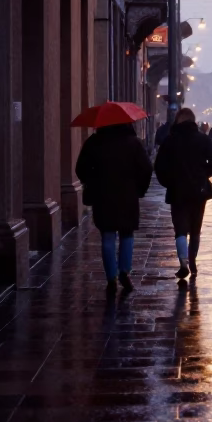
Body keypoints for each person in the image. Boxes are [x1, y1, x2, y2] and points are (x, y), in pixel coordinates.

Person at [75, 122, 153, 294]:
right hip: (128, 196)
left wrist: (92, 181)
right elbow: (147, 168)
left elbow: (80, 169)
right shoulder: (134, 142)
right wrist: (140, 189)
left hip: (103, 196)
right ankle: (124, 270)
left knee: (108, 235)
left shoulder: (94, 142)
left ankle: (111, 277)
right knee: (127, 233)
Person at [154, 107, 212, 280]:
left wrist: (168, 182)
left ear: (178, 121)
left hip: (177, 190)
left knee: (180, 229)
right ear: (193, 121)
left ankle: (183, 261)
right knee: (196, 229)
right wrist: (202, 174)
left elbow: (159, 166)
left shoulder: (170, 140)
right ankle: (192, 261)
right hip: (198, 190)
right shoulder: (203, 139)